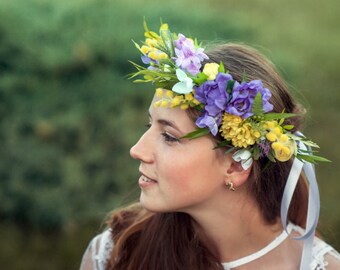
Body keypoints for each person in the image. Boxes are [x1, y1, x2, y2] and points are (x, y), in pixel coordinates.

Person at [80, 22, 340, 270]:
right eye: (149, 125)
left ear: (236, 165)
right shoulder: (117, 253)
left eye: (169, 136)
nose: (137, 150)